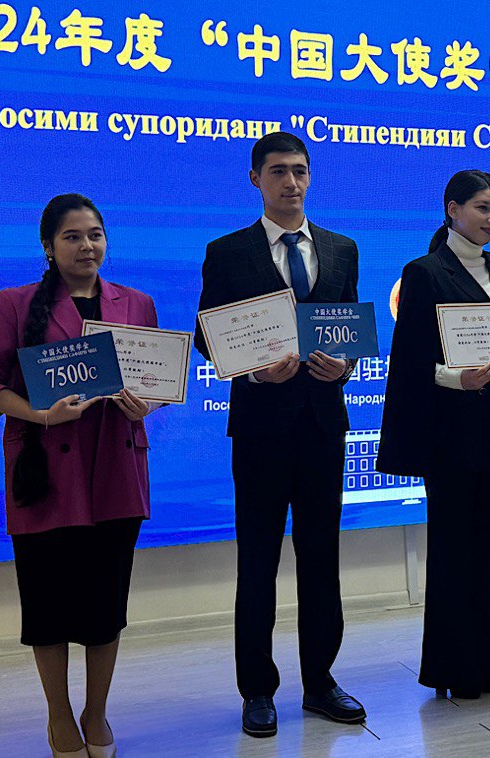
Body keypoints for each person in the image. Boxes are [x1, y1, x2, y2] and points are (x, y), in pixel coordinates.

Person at [0, 194, 157, 758]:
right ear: (48, 246)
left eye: (95, 234)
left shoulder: (136, 303)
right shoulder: (16, 304)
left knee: (105, 608)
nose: (86, 246)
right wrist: (39, 413)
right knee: (47, 609)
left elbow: (155, 378)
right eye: (72, 236)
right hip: (45, 474)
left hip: (116, 470)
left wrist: (148, 403)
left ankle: (97, 712)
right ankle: (59, 717)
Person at [193, 132, 364, 734]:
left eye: (299, 170)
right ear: (255, 180)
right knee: (258, 560)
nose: (291, 182)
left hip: (322, 425)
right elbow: (206, 335)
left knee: (322, 558)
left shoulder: (341, 248)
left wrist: (345, 366)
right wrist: (253, 369)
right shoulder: (227, 251)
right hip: (260, 427)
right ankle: (257, 690)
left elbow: (349, 328)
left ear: (310, 176)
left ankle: (320, 681)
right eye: (278, 171)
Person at [377, 170, 490, 699]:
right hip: (452, 437)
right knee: (454, 550)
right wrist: (457, 378)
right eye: (482, 208)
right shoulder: (424, 272)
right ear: (453, 209)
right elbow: (410, 363)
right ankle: (454, 669)